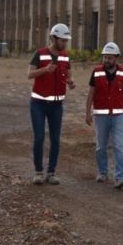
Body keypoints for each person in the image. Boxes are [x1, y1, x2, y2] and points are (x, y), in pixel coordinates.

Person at [27, 23, 76, 185]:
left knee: (55, 139)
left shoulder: (65, 56)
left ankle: (51, 172)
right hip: (38, 104)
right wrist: (45, 70)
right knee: (39, 137)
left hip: (57, 105)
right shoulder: (39, 54)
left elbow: (69, 75)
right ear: (54, 38)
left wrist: (70, 82)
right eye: (62, 40)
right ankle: (38, 172)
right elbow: (29, 74)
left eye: (66, 41)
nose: (64, 44)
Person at [85, 41, 123, 189]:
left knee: (119, 146)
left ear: (116, 58)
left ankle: (120, 177)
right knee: (101, 147)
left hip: (119, 115)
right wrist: (87, 112)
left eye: (110, 58)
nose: (107, 60)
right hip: (101, 116)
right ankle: (102, 172)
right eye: (105, 57)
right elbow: (91, 93)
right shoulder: (96, 72)